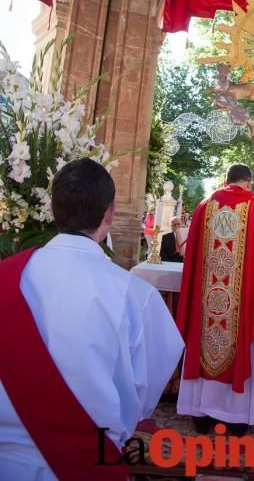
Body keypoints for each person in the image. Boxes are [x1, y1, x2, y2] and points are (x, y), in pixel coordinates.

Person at [0, 158, 184, 480]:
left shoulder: (6, 279)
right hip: (87, 464)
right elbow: (144, 393)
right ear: (109, 213)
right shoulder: (135, 297)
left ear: (53, 208)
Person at [176, 163, 254, 433]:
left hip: (207, 303)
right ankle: (237, 416)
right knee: (244, 341)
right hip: (242, 305)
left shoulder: (204, 206)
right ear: (248, 182)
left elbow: (191, 258)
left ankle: (200, 412)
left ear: (226, 180)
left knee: (204, 338)